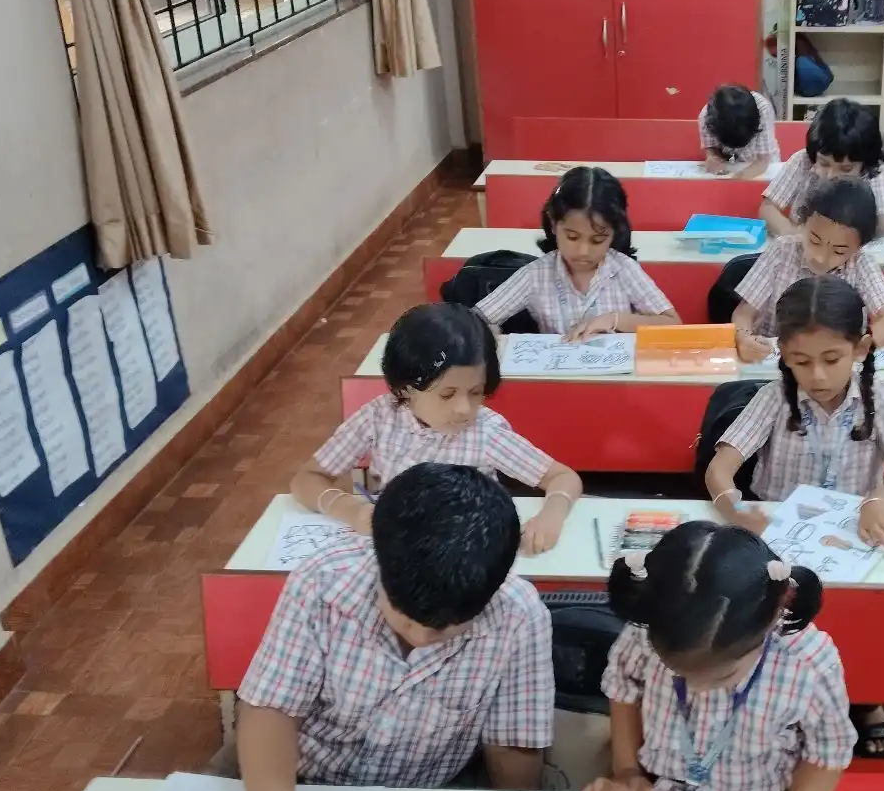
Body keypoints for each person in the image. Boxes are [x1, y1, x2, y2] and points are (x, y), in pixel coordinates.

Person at [240, 464, 554, 791]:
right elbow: (272, 707)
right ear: (379, 559)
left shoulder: (518, 615)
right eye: (405, 618)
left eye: (446, 627)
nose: (423, 636)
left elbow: (513, 743)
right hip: (308, 782)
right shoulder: (322, 583)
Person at [581, 521, 856, 791]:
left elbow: (829, 752)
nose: (696, 688)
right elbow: (623, 688)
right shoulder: (644, 633)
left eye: (723, 678)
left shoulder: (808, 663)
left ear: (773, 617)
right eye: (676, 672)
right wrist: (627, 771)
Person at [291, 303, 581, 555]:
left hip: (465, 552)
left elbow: (563, 477)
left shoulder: (484, 432)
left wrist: (550, 516)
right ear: (406, 388)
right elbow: (306, 479)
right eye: (447, 394)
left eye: (476, 392)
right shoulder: (378, 417)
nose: (464, 408)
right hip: (396, 550)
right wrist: (351, 510)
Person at [709, 276, 884, 547]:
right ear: (786, 355)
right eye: (802, 362)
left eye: (832, 359)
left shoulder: (879, 397)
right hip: (777, 528)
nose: (818, 376)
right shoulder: (774, 398)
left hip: (852, 526)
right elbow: (719, 469)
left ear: (859, 349)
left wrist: (880, 500)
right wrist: (735, 512)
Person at [476, 166, 681, 339]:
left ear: (614, 234)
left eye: (597, 240)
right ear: (554, 225)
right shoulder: (535, 275)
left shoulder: (623, 268)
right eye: (572, 237)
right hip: (559, 380)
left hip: (619, 382)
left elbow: (673, 324)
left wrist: (615, 319)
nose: (583, 251)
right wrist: (492, 335)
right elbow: (476, 319)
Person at [733, 177, 884, 361]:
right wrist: (743, 336)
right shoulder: (781, 251)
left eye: (839, 251)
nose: (821, 257)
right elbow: (743, 313)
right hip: (772, 362)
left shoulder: (861, 266)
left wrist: (862, 348)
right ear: (803, 223)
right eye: (814, 240)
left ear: (858, 248)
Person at [762, 99, 884, 240]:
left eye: (846, 169)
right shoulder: (802, 161)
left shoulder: (873, 172)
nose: (832, 176)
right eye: (824, 164)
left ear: (864, 163)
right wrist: (791, 232)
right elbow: (767, 209)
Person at [700, 83, 780, 178]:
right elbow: (711, 148)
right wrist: (712, 157)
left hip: (762, 163)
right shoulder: (707, 117)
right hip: (729, 164)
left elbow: (763, 161)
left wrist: (736, 181)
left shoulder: (763, 109)